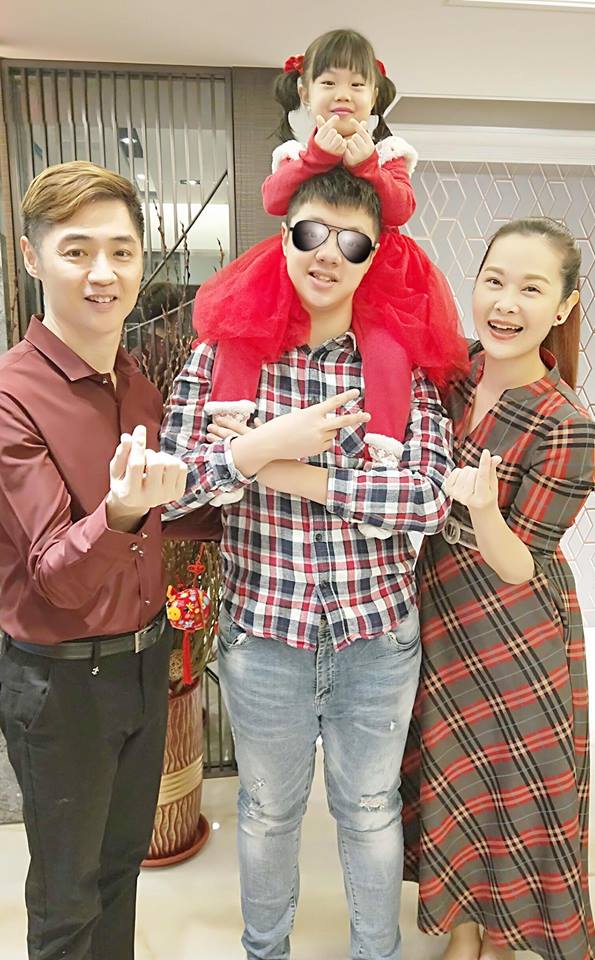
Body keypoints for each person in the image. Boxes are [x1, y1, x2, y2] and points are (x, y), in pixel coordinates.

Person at [161, 166, 454, 960]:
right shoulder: (223, 360)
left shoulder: (398, 368)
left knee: (370, 811)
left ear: (372, 259)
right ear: (283, 238)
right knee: (266, 814)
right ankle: (265, 951)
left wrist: (279, 465)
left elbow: (427, 499)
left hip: (375, 635)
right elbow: (174, 486)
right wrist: (259, 444)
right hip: (264, 635)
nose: (328, 253)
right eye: (311, 232)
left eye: (352, 243)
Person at [0, 160, 219, 960]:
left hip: (142, 659)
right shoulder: (11, 396)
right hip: (61, 685)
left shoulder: (134, 383)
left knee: (122, 868)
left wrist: (242, 467)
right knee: (68, 901)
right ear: (33, 257)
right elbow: (56, 576)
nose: (104, 273)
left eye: (122, 252)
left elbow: (165, 515)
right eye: (77, 251)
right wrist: (123, 510)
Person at [401, 218, 595, 960]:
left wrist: (482, 508)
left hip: (514, 628)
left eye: (531, 288)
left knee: (512, 783)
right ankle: (462, 928)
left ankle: (509, 935)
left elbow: (520, 564)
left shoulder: (567, 424)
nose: (506, 303)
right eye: (494, 281)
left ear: (563, 306)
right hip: (438, 608)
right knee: (449, 769)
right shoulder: (449, 374)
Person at [192, 28, 468, 515]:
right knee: (244, 332)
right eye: (329, 82)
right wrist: (316, 156)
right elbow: (274, 198)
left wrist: (368, 166)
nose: (344, 94)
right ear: (305, 92)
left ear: (375, 97)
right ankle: (228, 423)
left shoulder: (389, 152)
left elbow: (400, 208)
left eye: (357, 85)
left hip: (384, 282)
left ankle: (384, 454)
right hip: (286, 281)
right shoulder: (295, 152)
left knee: (389, 355)